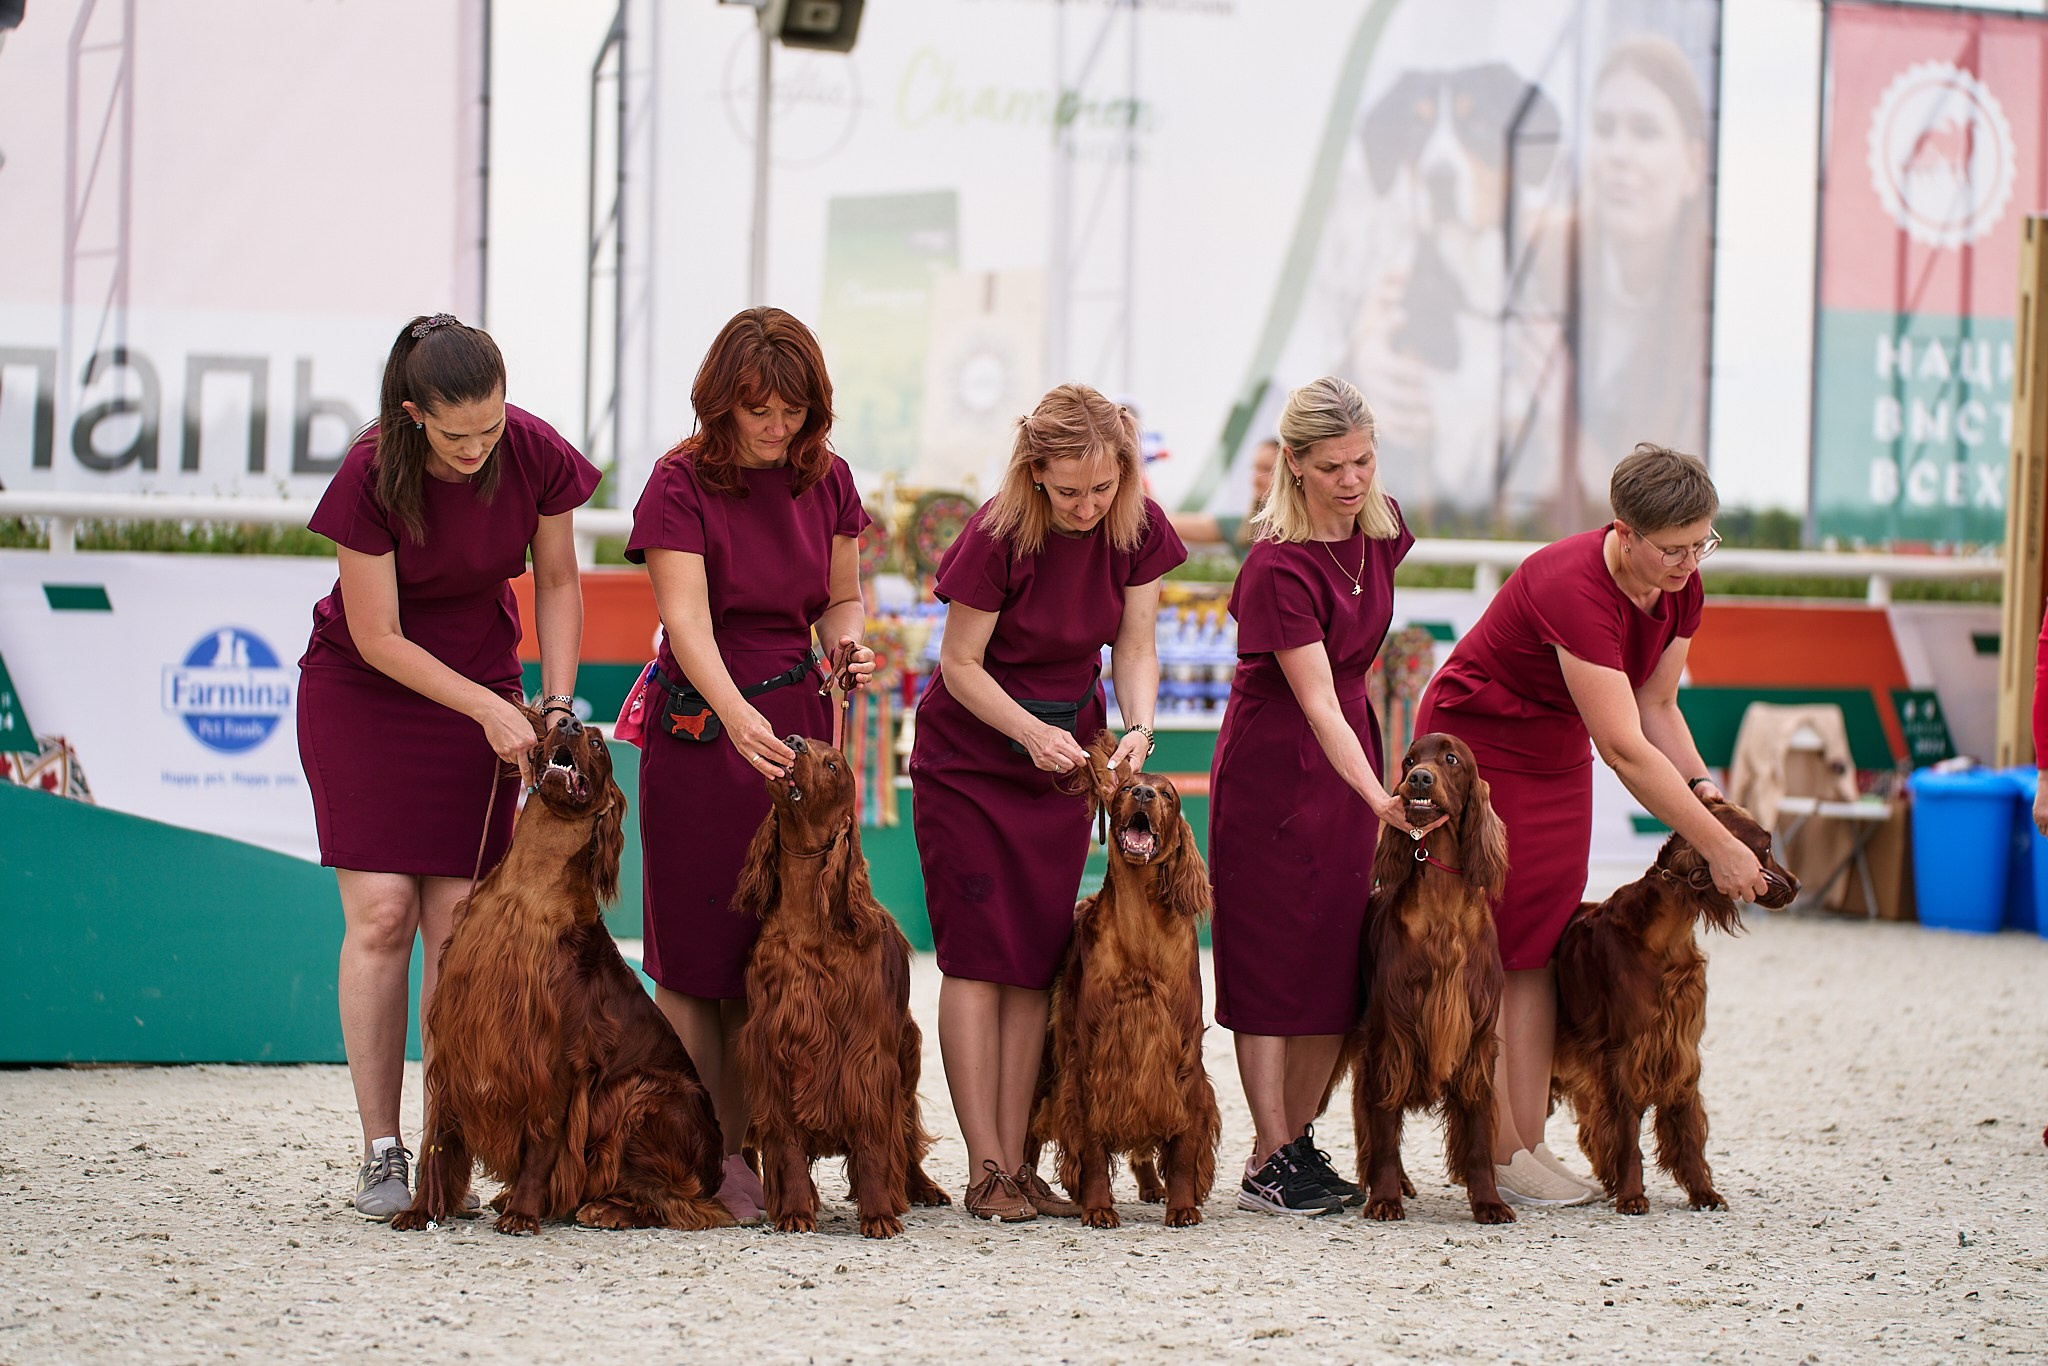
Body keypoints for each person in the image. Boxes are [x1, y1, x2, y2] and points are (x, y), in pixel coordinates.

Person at [297, 314, 600, 1220]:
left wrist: (549, 701)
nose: (478, 450)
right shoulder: (367, 472)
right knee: (384, 914)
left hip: (490, 688)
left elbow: (556, 583)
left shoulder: (535, 452)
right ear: (412, 414)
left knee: (459, 923)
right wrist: (485, 708)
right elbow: (378, 635)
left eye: (492, 429)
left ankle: (448, 1144)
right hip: (367, 692)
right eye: (457, 434)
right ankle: (382, 1152)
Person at [1415, 442, 1768, 1206]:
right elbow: (1623, 748)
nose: (1688, 563)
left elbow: (1657, 707)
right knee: (1487, 936)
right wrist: (1716, 847)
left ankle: (1527, 1144)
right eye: (1672, 549)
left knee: (1538, 938)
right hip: (1479, 739)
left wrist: (1708, 793)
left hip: (1555, 741)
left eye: (1701, 543)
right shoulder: (1572, 584)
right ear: (1624, 532)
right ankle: (1493, 1147)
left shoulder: (1681, 588)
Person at [909, 382, 1186, 1221]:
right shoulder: (996, 533)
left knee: (1033, 962)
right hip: (971, 759)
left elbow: (1135, 645)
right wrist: (1029, 732)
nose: (1086, 506)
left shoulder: (1136, 527)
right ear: (1034, 474)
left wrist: (1137, 727)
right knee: (976, 959)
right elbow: (960, 665)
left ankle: (1020, 1163)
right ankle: (985, 1167)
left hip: (1069, 761)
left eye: (1101, 489)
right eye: (1067, 491)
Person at [624, 307, 874, 1223]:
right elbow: (686, 622)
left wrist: (849, 649)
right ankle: (704, 1154)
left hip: (801, 734)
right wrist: (736, 719)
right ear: (720, 401)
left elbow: (842, 598)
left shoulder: (830, 478)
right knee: (697, 961)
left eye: (795, 412)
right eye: (759, 410)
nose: (778, 429)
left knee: (788, 953)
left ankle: (777, 1139)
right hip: (704, 732)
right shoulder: (677, 483)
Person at [1207, 376, 1415, 1217]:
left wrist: (1368, 787)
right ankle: (1267, 1152)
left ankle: (1295, 1138)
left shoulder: (1385, 530)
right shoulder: (1276, 565)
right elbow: (1318, 701)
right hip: (1276, 764)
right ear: (1292, 466)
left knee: (1334, 952)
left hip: (1349, 756)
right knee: (1267, 957)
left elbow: (1352, 696)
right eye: (1331, 466)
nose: (1353, 480)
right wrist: (1381, 795)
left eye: (1363, 460)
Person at [1576, 36, 1712, 519]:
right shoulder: (1541, 258)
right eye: (1604, 128)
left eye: (1645, 131)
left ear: (1694, 165)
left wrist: (1559, 424)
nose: (1618, 152)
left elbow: (1658, 516)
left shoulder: (1715, 307)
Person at [1169, 437, 1280, 551]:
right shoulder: (1243, 528)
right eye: (1254, 468)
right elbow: (1169, 523)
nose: (1256, 479)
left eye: (1267, 469)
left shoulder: (1292, 531)